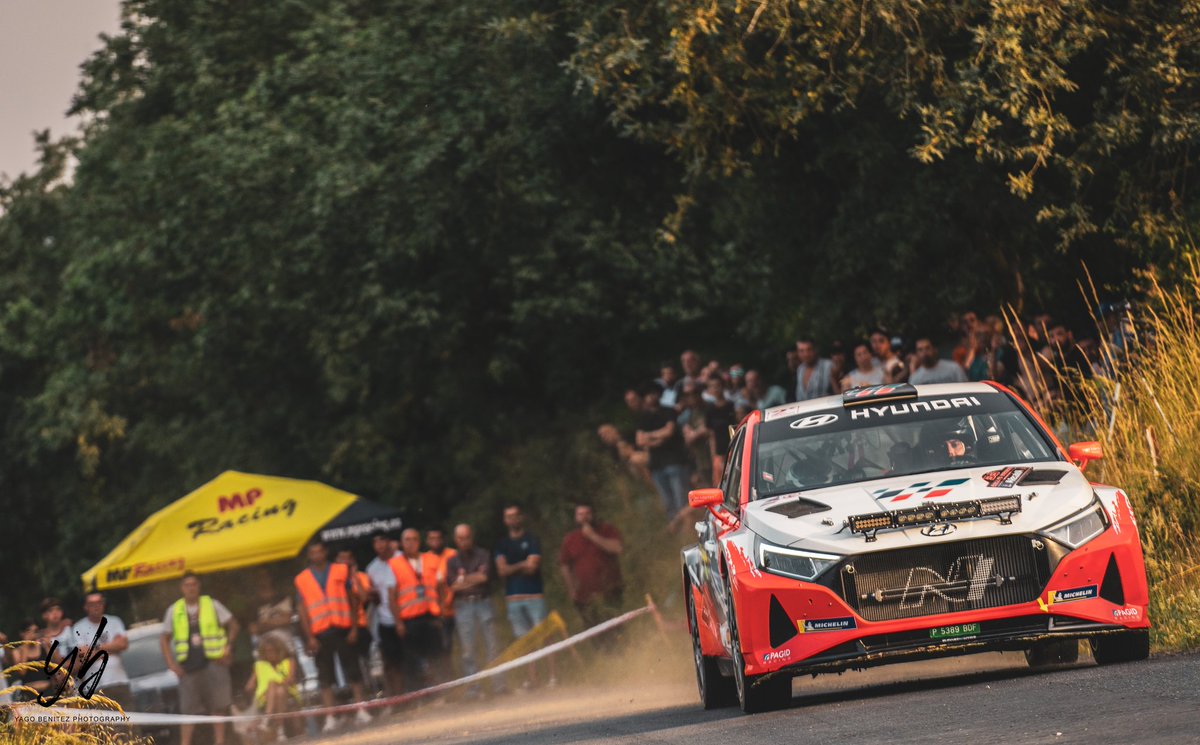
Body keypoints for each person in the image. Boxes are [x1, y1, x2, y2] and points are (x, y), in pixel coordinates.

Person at [294, 540, 371, 732]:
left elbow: (352, 599)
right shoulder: (302, 579)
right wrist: (309, 636)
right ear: (309, 556)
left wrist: (354, 628)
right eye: (313, 553)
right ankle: (330, 715)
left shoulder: (340, 570)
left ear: (325, 552)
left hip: (343, 627)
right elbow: (302, 610)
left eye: (319, 551)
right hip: (320, 632)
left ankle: (360, 708)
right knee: (324, 676)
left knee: (353, 669)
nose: (316, 555)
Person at [159, 573, 240, 745]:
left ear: (199, 586)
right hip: (187, 667)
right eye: (187, 585)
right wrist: (171, 664)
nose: (191, 588)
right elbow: (164, 639)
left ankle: (219, 742)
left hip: (214, 662)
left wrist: (228, 647)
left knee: (218, 707)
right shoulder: (174, 610)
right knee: (188, 711)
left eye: (194, 584)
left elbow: (233, 625)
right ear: (182, 588)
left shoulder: (212, 604)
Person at [495, 505, 554, 688]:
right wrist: (522, 564)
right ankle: (532, 679)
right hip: (513, 599)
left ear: (521, 518)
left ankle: (552, 677)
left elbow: (533, 567)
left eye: (515, 516)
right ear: (505, 520)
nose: (512, 519)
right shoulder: (501, 544)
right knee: (524, 641)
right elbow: (502, 571)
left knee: (545, 636)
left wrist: (513, 567)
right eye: (508, 516)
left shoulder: (531, 539)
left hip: (535, 595)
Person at [444, 523, 503, 698]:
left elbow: (484, 577)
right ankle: (473, 689)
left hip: (483, 602)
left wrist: (463, 579)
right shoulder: (452, 561)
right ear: (456, 540)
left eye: (466, 537)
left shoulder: (483, 554)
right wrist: (472, 578)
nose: (464, 541)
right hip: (463, 606)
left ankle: (498, 685)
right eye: (460, 538)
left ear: (472, 537)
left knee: (492, 645)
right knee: (468, 650)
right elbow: (453, 586)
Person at [388, 528, 444, 691]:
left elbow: (440, 586)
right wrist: (398, 623)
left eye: (414, 539)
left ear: (419, 542)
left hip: (431, 616)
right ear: (402, 543)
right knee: (412, 661)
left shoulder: (432, 559)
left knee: (436, 656)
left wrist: (440, 610)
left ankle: (442, 692)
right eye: (407, 540)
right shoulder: (394, 564)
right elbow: (392, 597)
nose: (411, 543)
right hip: (409, 619)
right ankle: (418, 696)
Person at [558, 504, 624, 628]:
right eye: (580, 514)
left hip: (610, 590)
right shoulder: (569, 539)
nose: (584, 518)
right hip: (584, 597)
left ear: (593, 515)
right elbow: (564, 565)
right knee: (594, 632)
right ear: (575, 518)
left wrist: (593, 536)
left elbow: (617, 548)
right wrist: (572, 590)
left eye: (587, 514)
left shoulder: (607, 530)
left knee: (616, 628)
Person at [635, 382, 692, 517]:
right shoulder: (643, 418)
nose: (651, 397)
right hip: (657, 465)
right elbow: (640, 440)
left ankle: (685, 531)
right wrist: (659, 438)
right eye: (647, 394)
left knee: (681, 501)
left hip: (675, 462)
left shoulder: (668, 411)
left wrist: (649, 436)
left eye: (653, 393)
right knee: (668, 503)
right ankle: (676, 531)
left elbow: (669, 432)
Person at [66, 593, 131, 709]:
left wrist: (94, 648)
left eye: (99, 603)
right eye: (92, 604)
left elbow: (122, 644)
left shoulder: (114, 621)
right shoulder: (79, 627)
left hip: (119, 681)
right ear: (85, 607)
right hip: (95, 686)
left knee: (129, 721)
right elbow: (83, 655)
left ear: (103, 604)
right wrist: (111, 647)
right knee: (105, 724)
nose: (96, 607)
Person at [365, 532, 404, 695]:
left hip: (406, 616)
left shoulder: (401, 559)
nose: (379, 545)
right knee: (390, 662)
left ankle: (419, 693)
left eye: (382, 541)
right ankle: (397, 697)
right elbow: (373, 597)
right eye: (376, 542)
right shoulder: (371, 568)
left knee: (409, 659)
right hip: (384, 620)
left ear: (389, 541)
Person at [243, 631, 300, 741]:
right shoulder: (259, 665)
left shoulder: (289, 661)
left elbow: (291, 680)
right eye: (266, 652)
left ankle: (267, 718)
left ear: (279, 650)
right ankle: (280, 730)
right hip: (265, 698)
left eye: (272, 651)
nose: (269, 654)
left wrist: (277, 683)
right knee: (277, 691)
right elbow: (249, 686)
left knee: (277, 688)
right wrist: (251, 685)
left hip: (288, 693)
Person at [336, 548, 375, 688]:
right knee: (349, 664)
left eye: (348, 558)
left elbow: (364, 598)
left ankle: (372, 689)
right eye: (342, 558)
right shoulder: (334, 580)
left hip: (361, 624)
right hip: (342, 627)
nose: (345, 562)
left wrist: (354, 578)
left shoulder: (361, 576)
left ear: (353, 561)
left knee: (365, 662)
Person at [425, 528, 458, 677]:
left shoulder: (452, 554)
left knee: (459, 647)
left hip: (455, 609)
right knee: (443, 650)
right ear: (427, 541)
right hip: (436, 614)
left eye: (438, 538)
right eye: (432, 538)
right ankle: (449, 683)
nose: (435, 541)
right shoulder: (424, 559)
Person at [704, 377, 737, 488]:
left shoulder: (732, 406)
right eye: (712, 386)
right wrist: (713, 455)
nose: (716, 389)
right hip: (719, 452)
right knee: (720, 483)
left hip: (734, 449)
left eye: (717, 385)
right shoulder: (709, 410)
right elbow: (711, 434)